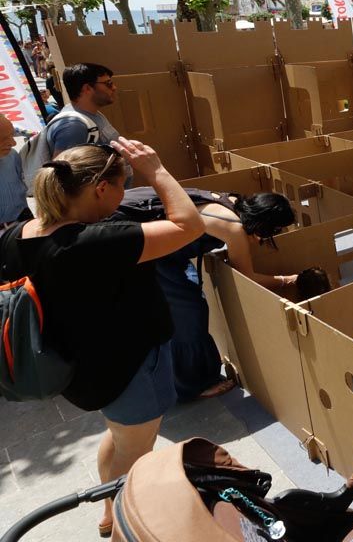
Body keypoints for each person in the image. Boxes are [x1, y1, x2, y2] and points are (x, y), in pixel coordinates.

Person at [1, 139, 205, 536]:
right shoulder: (97, 242)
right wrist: (157, 170)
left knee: (119, 437)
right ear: (100, 189)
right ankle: (124, 529)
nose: (125, 192)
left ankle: (108, 507)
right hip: (126, 371)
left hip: (83, 372)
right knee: (137, 456)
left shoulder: (16, 235)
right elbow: (188, 225)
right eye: (122, 184)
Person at [112, 187, 298, 403]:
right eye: (275, 230)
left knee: (189, 300)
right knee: (190, 314)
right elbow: (248, 276)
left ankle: (194, 366)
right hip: (155, 254)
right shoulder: (234, 227)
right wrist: (287, 280)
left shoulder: (231, 200)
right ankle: (193, 385)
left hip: (165, 250)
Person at [46, 62, 121, 156]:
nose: (114, 87)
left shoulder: (91, 115)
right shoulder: (74, 127)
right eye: (108, 84)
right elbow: (66, 169)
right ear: (87, 88)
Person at [0, 115, 29, 228]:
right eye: (4, 139)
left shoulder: (12, 156)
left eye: (12, 136)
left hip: (23, 223)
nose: (13, 143)